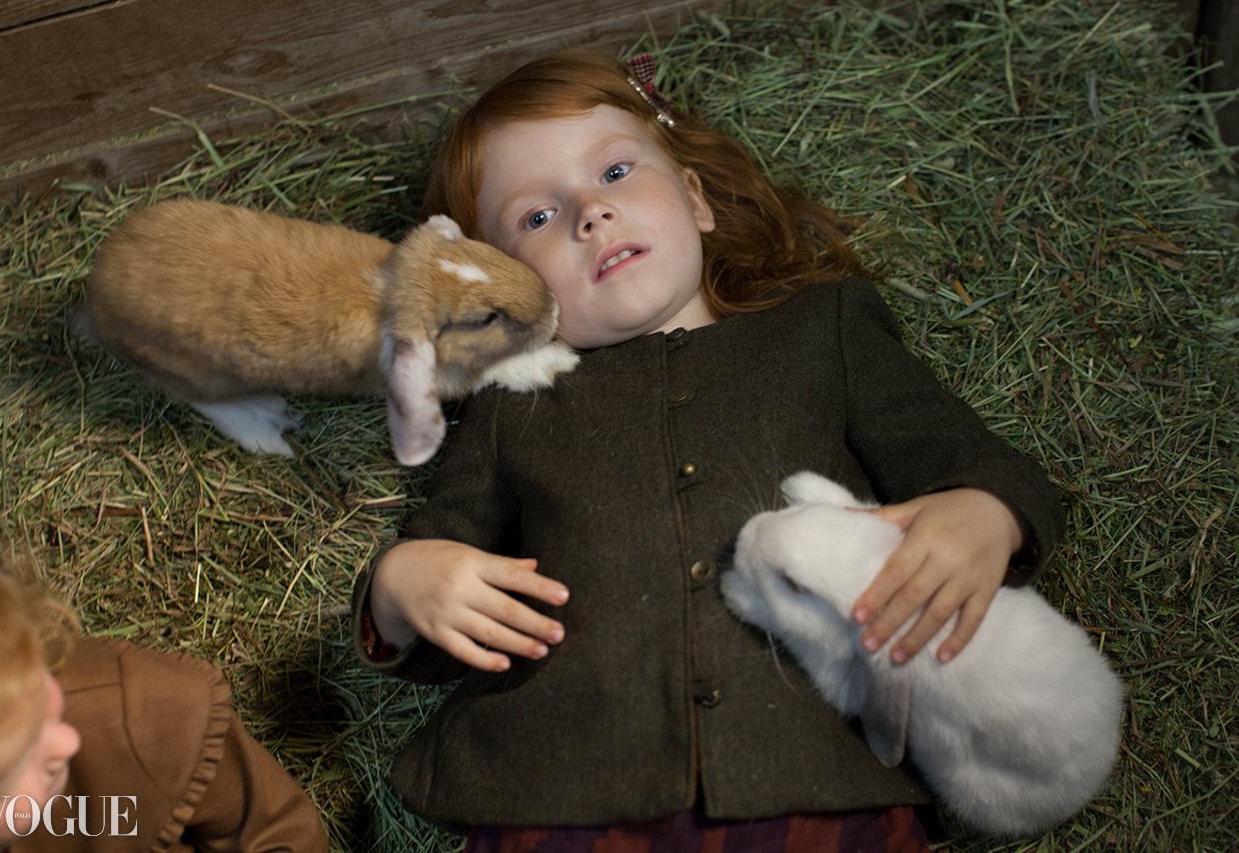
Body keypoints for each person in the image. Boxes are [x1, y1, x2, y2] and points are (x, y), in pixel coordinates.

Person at [352, 49, 1065, 851]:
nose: (591, 212)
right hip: (562, 797)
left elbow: (971, 459)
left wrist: (986, 514)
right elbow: (447, 580)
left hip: (821, 782)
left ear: (695, 200)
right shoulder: (513, 405)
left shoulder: (819, 333)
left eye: (615, 172)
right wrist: (399, 588)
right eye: (538, 217)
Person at [0, 515, 330, 853]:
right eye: (8, 773)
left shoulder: (141, 714)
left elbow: (282, 834)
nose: (67, 742)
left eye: (39, 689)